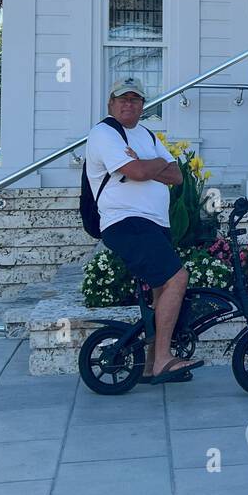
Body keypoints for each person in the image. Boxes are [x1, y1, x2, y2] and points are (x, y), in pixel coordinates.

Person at [86, 77, 201, 383]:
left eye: (135, 100)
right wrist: (152, 166)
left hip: (155, 224)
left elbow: (177, 175)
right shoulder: (104, 133)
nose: (129, 104)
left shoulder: (147, 135)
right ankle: (164, 359)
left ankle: (151, 365)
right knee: (178, 277)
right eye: (123, 99)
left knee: (162, 291)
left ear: (143, 106)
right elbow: (136, 172)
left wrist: (145, 164)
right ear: (111, 103)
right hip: (126, 222)